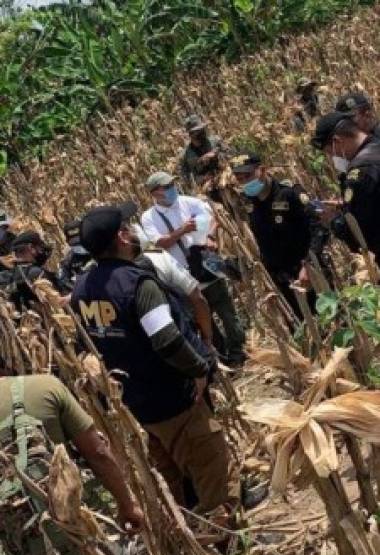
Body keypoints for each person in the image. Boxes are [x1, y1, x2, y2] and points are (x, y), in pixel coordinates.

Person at [0, 369, 182, 555]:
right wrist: (128, 505)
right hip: (82, 527)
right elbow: (98, 452)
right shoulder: (43, 386)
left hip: (29, 552)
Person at [71, 203, 241, 517]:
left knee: (172, 474)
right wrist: (200, 370)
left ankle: (187, 536)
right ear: (122, 236)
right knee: (209, 465)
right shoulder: (138, 284)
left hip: (137, 402)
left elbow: (88, 345)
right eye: (128, 226)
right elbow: (166, 339)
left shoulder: (82, 289)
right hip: (174, 396)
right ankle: (224, 539)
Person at [141, 171, 246, 365]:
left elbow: (214, 218)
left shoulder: (189, 202)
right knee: (203, 317)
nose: (172, 189)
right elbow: (159, 243)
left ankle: (238, 350)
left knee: (226, 310)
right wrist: (183, 230)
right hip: (183, 275)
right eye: (167, 187)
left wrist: (211, 237)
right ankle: (220, 355)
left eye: (172, 184)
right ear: (155, 193)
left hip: (207, 265)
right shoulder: (149, 218)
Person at [230, 152, 327, 314]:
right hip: (283, 281)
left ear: (262, 169)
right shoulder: (249, 202)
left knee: (330, 321)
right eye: (240, 179)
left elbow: (319, 228)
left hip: (308, 274)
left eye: (248, 176)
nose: (245, 182)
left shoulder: (289, 194)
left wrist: (309, 264)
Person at [312, 111, 380, 264]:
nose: (333, 158)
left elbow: (362, 237)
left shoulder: (359, 174)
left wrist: (333, 220)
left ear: (337, 141)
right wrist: (347, 206)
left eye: (330, 153)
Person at [0, 230, 61, 310]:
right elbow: (58, 302)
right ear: (31, 248)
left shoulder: (7, 275)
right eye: (40, 247)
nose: (42, 251)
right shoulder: (37, 273)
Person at [180, 114, 227, 191]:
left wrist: (216, 155)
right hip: (206, 188)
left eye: (202, 129)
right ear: (191, 134)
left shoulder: (216, 141)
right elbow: (185, 178)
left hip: (224, 179)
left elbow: (231, 155)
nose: (202, 132)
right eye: (198, 131)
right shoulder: (185, 155)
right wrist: (201, 178)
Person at [58, 218, 93, 292]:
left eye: (81, 242)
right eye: (75, 244)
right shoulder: (68, 260)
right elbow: (63, 281)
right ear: (68, 242)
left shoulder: (102, 247)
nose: (80, 246)